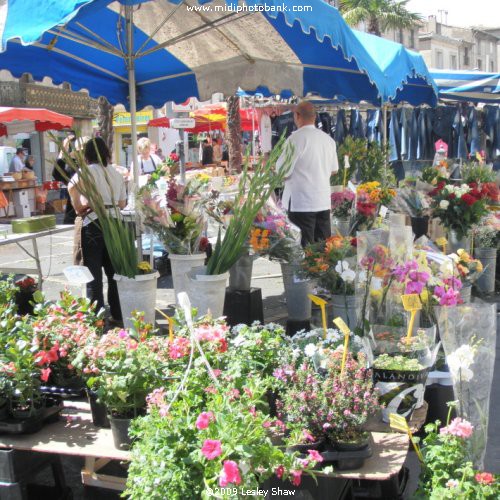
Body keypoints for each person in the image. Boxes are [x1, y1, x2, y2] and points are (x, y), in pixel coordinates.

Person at [68, 137, 127, 324]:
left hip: (93, 223)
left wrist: (78, 206)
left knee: (92, 275)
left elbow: (71, 187)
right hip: (115, 223)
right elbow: (122, 203)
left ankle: (98, 319)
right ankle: (117, 314)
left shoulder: (86, 172)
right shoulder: (116, 173)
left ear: (87, 155)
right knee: (114, 273)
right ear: (106, 153)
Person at [276, 101, 339, 247]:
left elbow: (282, 172)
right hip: (322, 200)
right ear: (315, 117)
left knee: (303, 251)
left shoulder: (295, 139)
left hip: (301, 203)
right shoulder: (328, 140)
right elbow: (334, 170)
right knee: (323, 250)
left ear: (297, 116)